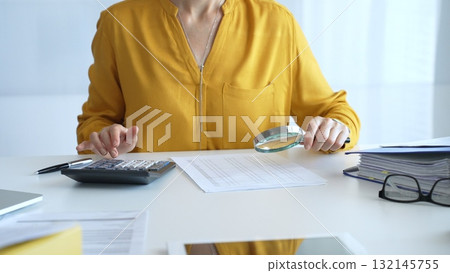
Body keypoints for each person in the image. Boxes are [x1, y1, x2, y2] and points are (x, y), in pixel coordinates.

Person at [76, 0, 360, 254]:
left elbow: (332, 111)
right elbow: (96, 119)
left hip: (260, 229)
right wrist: (104, 137)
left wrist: (336, 128)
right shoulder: (119, 22)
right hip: (154, 223)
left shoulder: (276, 21)